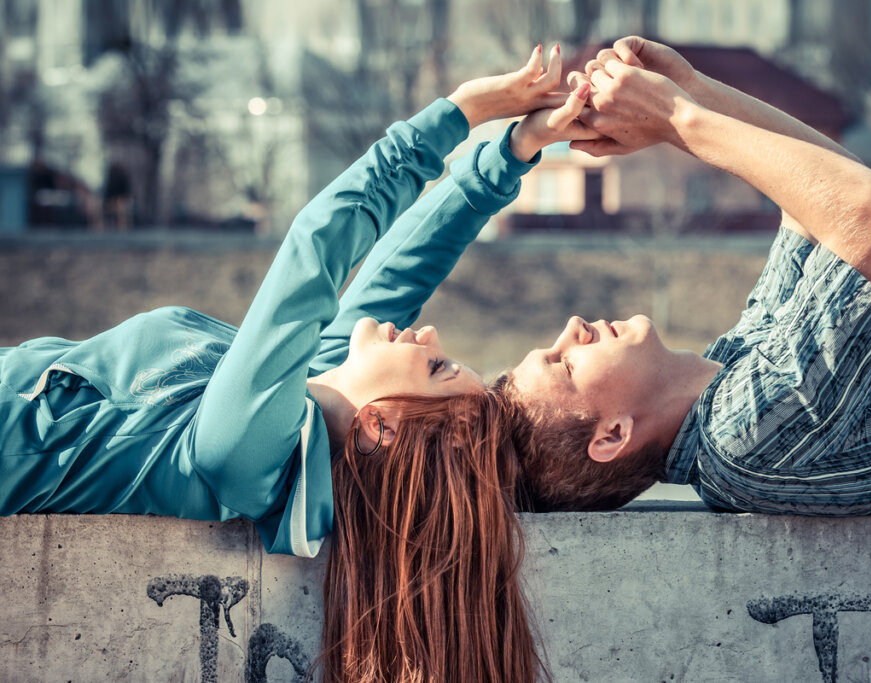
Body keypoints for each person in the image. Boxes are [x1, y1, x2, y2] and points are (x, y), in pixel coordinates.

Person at [2, 47, 598, 682]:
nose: (428, 334)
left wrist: (461, 112)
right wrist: (514, 149)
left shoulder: (252, 458)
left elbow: (316, 248)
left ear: (380, 429)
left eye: (436, 367)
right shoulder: (316, 398)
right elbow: (404, 266)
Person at [498, 36, 871, 516]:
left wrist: (694, 97)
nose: (571, 327)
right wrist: (674, 117)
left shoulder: (735, 363)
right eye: (565, 363)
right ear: (613, 435)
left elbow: (826, 199)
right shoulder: (740, 440)